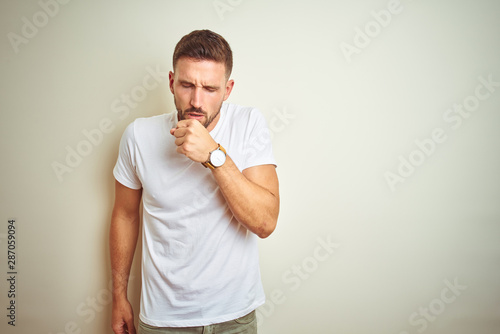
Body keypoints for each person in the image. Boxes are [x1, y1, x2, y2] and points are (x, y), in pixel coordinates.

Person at [110, 29, 280, 334]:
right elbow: (125, 215)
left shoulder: (248, 124)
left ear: (227, 90)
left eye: (210, 88)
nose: (196, 101)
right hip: (164, 320)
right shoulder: (138, 135)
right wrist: (118, 296)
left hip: (235, 317)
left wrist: (214, 155)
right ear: (172, 82)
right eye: (187, 85)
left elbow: (265, 223)